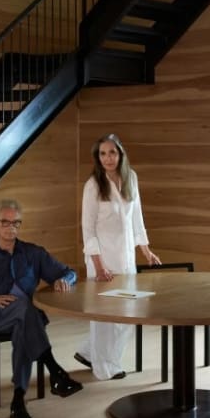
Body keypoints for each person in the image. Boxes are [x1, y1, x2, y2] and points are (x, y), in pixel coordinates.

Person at [0, 199, 83, 418]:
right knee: (25, 308)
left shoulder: (33, 253)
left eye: (16, 223)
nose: (11, 228)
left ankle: (18, 401)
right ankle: (55, 372)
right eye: (5, 222)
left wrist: (64, 280)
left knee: (23, 321)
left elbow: (69, 272)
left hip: (24, 320)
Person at [74, 133, 161, 380]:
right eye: (102, 153)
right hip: (102, 260)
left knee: (129, 314)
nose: (107, 158)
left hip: (126, 259)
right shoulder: (93, 185)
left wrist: (146, 250)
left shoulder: (130, 178)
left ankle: (89, 352)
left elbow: (137, 218)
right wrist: (98, 266)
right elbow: (87, 229)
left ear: (120, 154)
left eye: (112, 152)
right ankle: (105, 367)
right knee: (104, 317)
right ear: (97, 157)